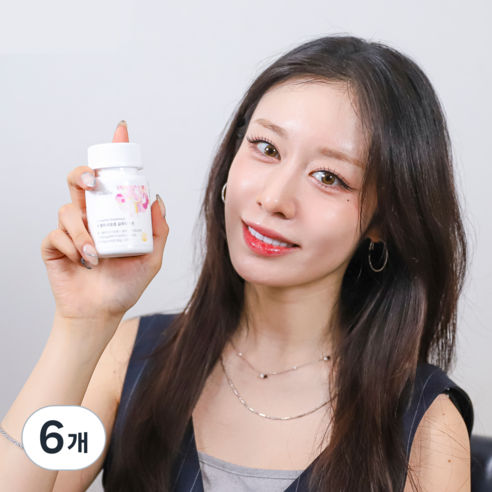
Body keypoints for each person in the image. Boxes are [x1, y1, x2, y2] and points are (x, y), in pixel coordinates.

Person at [0, 35, 474, 492]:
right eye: (266, 149)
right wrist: (81, 325)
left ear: (383, 221)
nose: (274, 198)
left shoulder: (426, 427)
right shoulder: (133, 359)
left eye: (329, 177)